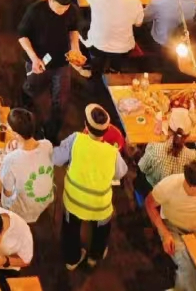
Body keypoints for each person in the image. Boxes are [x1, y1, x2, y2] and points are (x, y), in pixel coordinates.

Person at [53, 104, 128, 271]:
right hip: (100, 205)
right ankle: (95, 256)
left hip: (74, 201)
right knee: (103, 228)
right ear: (107, 129)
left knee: (70, 229)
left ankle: (71, 260)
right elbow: (121, 173)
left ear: (86, 125)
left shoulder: (76, 139)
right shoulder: (112, 152)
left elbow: (57, 159)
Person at [17, 0, 84, 142]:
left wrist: (76, 48)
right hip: (38, 59)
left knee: (61, 102)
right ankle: (23, 112)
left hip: (61, 61)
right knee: (32, 87)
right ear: (50, 0)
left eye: (66, 8)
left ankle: (50, 134)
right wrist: (33, 58)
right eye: (60, 7)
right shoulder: (35, 10)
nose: (63, 11)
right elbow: (22, 35)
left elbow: (73, 30)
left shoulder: (71, 10)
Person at [145, 162, 196, 291]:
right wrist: (164, 233)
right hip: (172, 227)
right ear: (188, 184)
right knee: (187, 263)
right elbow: (149, 204)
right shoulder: (168, 186)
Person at [77, 0, 144, 72]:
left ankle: (91, 65)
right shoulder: (134, 1)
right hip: (124, 49)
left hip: (97, 46)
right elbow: (138, 24)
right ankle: (114, 69)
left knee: (81, 22)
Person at [0, 107, 55, 223]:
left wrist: (9, 157)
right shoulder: (47, 145)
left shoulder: (11, 160)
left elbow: (7, 195)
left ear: (16, 134)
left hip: (23, 212)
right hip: (44, 202)